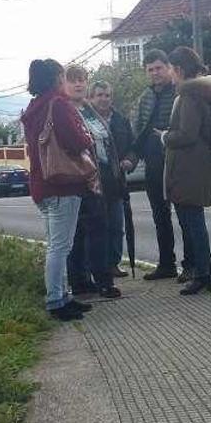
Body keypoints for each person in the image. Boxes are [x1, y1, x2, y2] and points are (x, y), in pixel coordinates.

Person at [21, 59, 94, 321]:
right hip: (63, 183)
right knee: (60, 247)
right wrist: (88, 139)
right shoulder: (58, 104)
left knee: (56, 244)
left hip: (42, 184)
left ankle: (63, 295)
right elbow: (75, 141)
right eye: (63, 76)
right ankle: (56, 300)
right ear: (56, 79)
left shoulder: (33, 107)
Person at [158, 46, 211, 295]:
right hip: (200, 165)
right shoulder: (207, 92)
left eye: (169, 69)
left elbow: (187, 134)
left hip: (189, 168)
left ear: (177, 69)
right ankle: (207, 272)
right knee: (194, 222)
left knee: (192, 224)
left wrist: (166, 136)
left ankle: (203, 274)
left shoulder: (189, 95)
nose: (169, 75)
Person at [130, 49, 194, 283]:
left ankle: (191, 265)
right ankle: (167, 263)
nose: (155, 73)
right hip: (153, 165)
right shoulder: (145, 96)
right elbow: (139, 130)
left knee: (185, 215)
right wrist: (132, 157)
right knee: (160, 215)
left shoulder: (180, 92)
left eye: (159, 67)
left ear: (169, 67)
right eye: (150, 69)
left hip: (177, 162)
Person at [64, 65, 121, 299]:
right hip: (78, 178)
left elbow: (107, 141)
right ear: (64, 84)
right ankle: (81, 281)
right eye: (73, 80)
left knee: (100, 230)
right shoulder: (64, 110)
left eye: (82, 80)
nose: (78, 84)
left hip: (102, 175)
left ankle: (101, 279)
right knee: (78, 233)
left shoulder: (89, 109)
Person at [89, 80, 134, 278]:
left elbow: (133, 146)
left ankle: (113, 264)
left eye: (107, 95)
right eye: (99, 95)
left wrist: (129, 160)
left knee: (116, 225)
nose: (103, 99)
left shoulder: (121, 120)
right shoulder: (85, 120)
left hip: (116, 180)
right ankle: (95, 268)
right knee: (96, 226)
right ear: (91, 97)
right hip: (93, 181)